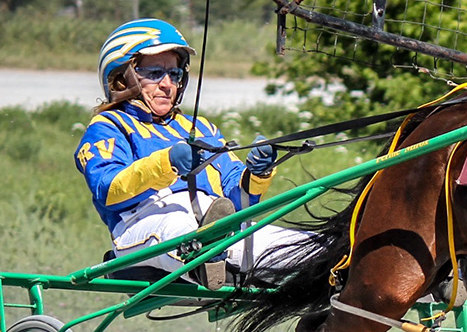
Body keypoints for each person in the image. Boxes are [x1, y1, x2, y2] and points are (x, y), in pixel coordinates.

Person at [75, 19, 309, 280]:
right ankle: (204, 257)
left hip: (217, 227)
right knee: (179, 225)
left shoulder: (201, 128)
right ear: (121, 78)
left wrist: (257, 174)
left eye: (174, 74)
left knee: (311, 249)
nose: (167, 84)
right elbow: (107, 190)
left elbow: (238, 201)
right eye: (155, 73)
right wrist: (167, 163)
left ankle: (214, 252)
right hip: (141, 228)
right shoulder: (109, 126)